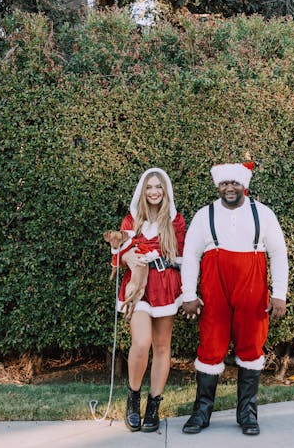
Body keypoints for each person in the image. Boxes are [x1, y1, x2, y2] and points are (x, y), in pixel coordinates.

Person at [180, 162, 288, 436]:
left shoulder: (263, 214)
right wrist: (189, 295)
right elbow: (191, 255)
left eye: (235, 183)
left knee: (252, 347)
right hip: (215, 290)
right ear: (218, 186)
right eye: (224, 184)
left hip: (252, 289)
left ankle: (248, 415)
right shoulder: (204, 216)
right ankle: (202, 412)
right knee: (210, 346)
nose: (229, 188)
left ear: (244, 185)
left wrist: (279, 295)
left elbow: (278, 253)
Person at [111, 168, 186, 433]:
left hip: (165, 285)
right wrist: (127, 256)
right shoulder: (131, 221)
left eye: (159, 187)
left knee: (162, 346)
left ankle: (153, 405)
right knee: (141, 343)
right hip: (138, 287)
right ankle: (133, 398)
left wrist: (188, 291)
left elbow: (181, 259)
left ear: (166, 191)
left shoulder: (175, 221)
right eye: (149, 187)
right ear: (142, 191)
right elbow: (117, 257)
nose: (154, 192)